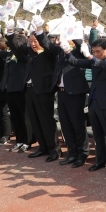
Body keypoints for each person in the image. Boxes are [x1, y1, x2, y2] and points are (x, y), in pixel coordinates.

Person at [66, 38, 106, 175]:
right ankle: (100, 160)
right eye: (93, 52)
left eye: (98, 51)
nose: (96, 54)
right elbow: (75, 62)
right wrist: (67, 51)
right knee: (97, 134)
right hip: (94, 101)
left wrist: (90, 57)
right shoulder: (94, 61)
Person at [7, 18, 60, 162]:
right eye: (31, 41)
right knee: (35, 120)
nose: (33, 44)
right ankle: (42, 147)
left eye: (35, 41)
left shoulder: (49, 52)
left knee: (46, 120)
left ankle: (53, 149)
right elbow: (17, 46)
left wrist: (39, 30)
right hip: (29, 90)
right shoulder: (30, 51)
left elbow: (47, 45)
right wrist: (10, 33)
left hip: (43, 91)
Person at [38, 31, 90, 167]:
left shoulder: (78, 51)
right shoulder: (60, 51)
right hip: (61, 93)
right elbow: (46, 44)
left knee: (77, 124)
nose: (61, 40)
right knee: (66, 124)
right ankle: (72, 153)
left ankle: (82, 153)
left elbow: (80, 43)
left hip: (75, 93)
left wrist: (71, 31)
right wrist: (39, 30)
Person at [0, 29, 31, 152]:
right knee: (15, 117)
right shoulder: (10, 54)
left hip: (20, 89)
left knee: (24, 117)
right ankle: (19, 140)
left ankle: (27, 141)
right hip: (8, 89)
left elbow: (20, 54)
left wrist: (11, 39)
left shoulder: (24, 55)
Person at [0, 37, 11, 145]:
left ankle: (6, 135)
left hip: (0, 90)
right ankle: (0, 135)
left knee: (3, 113)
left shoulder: (3, 57)